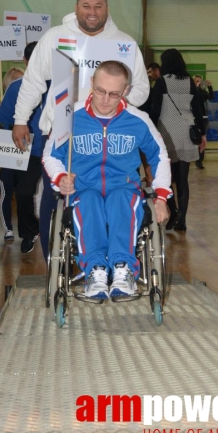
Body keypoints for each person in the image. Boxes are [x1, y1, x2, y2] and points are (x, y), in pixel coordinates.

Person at [12, 0, 150, 261]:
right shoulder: (54, 37)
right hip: (62, 130)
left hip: (106, 134)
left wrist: (115, 106)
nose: (92, 12)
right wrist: (20, 119)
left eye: (98, 6)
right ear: (76, 8)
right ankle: (53, 262)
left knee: (108, 194)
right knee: (56, 195)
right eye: (86, 6)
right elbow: (33, 82)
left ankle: (107, 258)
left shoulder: (124, 43)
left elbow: (141, 89)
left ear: (106, 9)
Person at [43, 61, 171, 299]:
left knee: (122, 198)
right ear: (91, 83)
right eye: (100, 90)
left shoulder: (138, 120)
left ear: (126, 91)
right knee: (89, 201)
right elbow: (51, 156)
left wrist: (162, 196)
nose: (104, 99)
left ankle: (123, 268)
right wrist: (60, 178)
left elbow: (160, 156)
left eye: (113, 94)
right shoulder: (70, 117)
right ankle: (96, 270)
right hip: (83, 188)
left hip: (123, 187)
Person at [150, 48, 206, 232]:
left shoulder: (162, 82)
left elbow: (155, 110)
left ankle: (173, 211)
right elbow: (198, 110)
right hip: (187, 132)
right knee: (183, 180)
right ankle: (182, 221)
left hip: (168, 132)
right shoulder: (190, 82)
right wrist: (202, 133)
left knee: (168, 177)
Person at [0, 47, 42, 253]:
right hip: (29, 151)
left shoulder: (57, 85)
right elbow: (3, 121)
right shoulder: (16, 87)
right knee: (23, 192)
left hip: (55, 150)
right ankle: (29, 231)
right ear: (25, 60)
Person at [192, 74, 214, 169]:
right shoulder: (192, 91)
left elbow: (211, 97)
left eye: (200, 81)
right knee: (191, 139)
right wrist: (196, 88)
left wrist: (209, 87)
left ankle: (199, 161)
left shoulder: (202, 92)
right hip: (193, 118)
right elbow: (194, 97)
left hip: (203, 118)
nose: (199, 83)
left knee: (202, 140)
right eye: (197, 81)